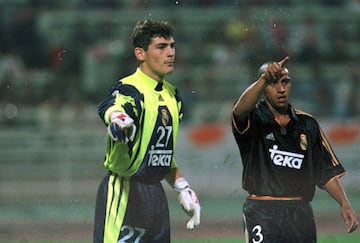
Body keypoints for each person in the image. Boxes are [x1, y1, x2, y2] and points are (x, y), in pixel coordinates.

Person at [93, 19, 201, 243]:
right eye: (161, 47)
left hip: (156, 197)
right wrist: (118, 119)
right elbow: (113, 106)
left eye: (172, 46)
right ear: (140, 53)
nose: (170, 53)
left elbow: (162, 156)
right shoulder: (130, 88)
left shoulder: (173, 97)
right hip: (124, 194)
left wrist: (183, 187)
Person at [231, 56, 358, 242]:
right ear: (263, 87)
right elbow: (238, 111)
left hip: (300, 213)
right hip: (262, 211)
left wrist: (344, 203)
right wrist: (264, 78)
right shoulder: (253, 119)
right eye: (273, 83)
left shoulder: (308, 124)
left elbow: (326, 172)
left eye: (285, 82)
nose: (281, 89)